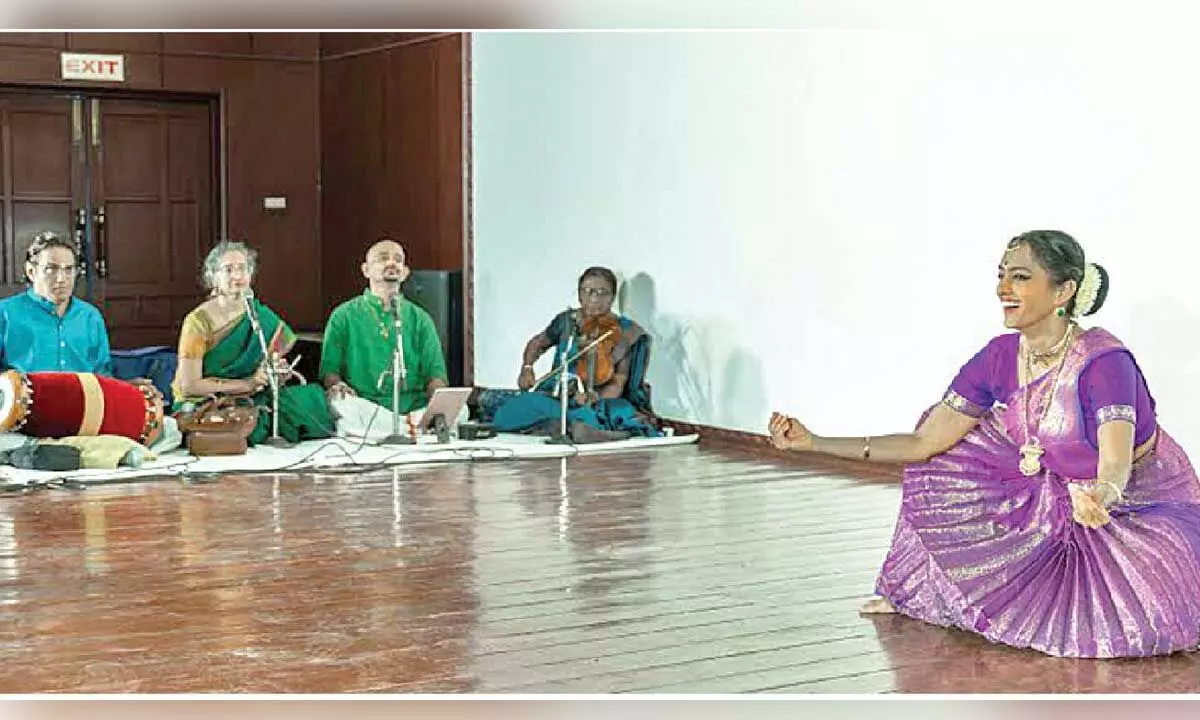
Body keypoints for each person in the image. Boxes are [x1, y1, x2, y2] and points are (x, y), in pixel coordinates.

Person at [768, 230, 1200, 659]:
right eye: (1001, 276)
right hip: (1051, 491)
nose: (1003, 289)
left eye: (1020, 277)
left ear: (1063, 291)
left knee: (1137, 621)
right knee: (946, 456)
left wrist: (1099, 497)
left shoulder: (1104, 362)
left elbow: (1115, 463)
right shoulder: (1001, 355)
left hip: (1132, 504)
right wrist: (813, 442)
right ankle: (921, 589)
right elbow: (922, 443)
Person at [171, 240, 333, 445]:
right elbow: (189, 386)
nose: (237, 276)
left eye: (243, 268)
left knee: (310, 399)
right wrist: (246, 384)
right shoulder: (198, 322)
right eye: (228, 270)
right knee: (243, 423)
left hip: (252, 396)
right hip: (207, 399)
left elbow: (269, 364)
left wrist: (275, 374)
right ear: (213, 277)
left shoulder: (260, 316)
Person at [472, 266, 660, 443]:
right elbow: (537, 343)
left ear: (612, 297)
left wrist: (593, 398)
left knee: (613, 413)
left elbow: (618, 382)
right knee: (499, 400)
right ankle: (565, 425)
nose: (594, 298)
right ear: (579, 294)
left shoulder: (623, 332)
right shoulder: (567, 321)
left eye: (602, 293)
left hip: (597, 401)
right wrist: (527, 368)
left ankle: (574, 427)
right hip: (557, 394)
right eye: (588, 291)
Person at [319, 238, 448, 423]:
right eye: (383, 258)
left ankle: (403, 425)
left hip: (412, 406)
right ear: (366, 270)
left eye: (398, 259)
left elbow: (436, 375)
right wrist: (338, 386)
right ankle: (408, 428)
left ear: (405, 272)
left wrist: (441, 405)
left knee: (462, 410)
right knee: (341, 405)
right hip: (363, 405)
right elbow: (329, 372)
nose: (391, 263)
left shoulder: (420, 318)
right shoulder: (343, 316)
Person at [0, 231, 113, 375]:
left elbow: (103, 375)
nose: (61, 278)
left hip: (83, 390)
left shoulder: (90, 316)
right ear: (31, 271)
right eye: (51, 269)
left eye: (68, 269)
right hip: (25, 390)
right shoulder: (5, 314)